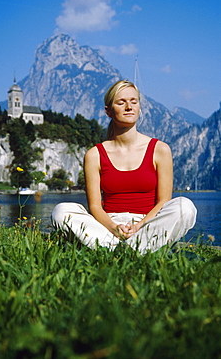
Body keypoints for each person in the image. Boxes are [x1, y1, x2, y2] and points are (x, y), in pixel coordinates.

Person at [51, 80, 197, 254]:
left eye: (134, 101)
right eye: (121, 102)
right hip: (108, 225)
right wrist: (114, 228)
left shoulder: (160, 150)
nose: (129, 107)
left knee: (185, 207)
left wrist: (139, 226)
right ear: (108, 111)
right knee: (61, 211)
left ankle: (118, 251)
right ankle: (133, 251)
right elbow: (95, 207)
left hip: (148, 223)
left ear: (139, 107)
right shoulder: (94, 155)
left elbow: (163, 202)